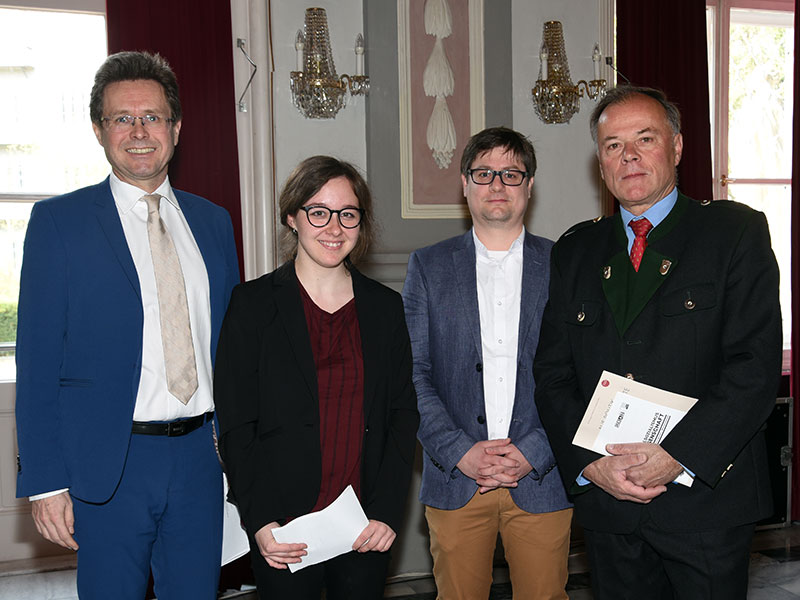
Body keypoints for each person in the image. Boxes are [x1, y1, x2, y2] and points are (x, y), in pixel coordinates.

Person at [533, 86, 782, 599]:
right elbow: (553, 374)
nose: (628, 156)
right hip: (609, 504)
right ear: (599, 162)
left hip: (705, 505)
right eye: (612, 145)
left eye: (644, 138)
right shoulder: (577, 250)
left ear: (677, 147)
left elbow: (752, 370)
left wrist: (677, 455)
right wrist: (589, 464)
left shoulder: (734, 233)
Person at [14, 51, 240, 599]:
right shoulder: (59, 224)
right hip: (109, 466)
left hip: (200, 462)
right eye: (122, 118)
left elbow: (233, 349)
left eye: (153, 117)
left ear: (176, 128)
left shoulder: (213, 222)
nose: (139, 131)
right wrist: (45, 481)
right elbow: (38, 362)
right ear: (99, 130)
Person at [214, 155, 419, 600]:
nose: (334, 227)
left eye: (348, 214)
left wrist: (385, 513)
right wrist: (260, 520)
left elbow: (403, 416)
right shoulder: (251, 306)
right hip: (284, 529)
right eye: (318, 211)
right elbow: (236, 425)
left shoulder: (385, 308)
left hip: (363, 527)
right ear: (293, 217)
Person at [402, 127, 573, 600]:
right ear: (464, 184)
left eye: (511, 174)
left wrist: (534, 450)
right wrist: (461, 451)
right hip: (456, 477)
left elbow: (581, 375)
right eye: (484, 173)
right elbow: (412, 375)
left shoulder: (565, 265)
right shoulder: (428, 267)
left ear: (530, 185)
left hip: (542, 474)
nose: (497, 185)